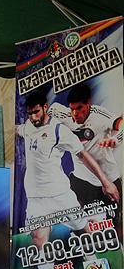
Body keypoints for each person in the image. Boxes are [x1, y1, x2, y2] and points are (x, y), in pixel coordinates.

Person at [17, 90, 119, 269]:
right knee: (39, 240)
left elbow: (83, 155)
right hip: (36, 199)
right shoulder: (27, 125)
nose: (33, 117)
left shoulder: (59, 130)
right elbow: (19, 130)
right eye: (30, 113)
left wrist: (106, 182)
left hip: (61, 195)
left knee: (84, 234)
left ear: (45, 107)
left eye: (36, 112)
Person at [48, 83, 122, 237]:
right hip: (81, 178)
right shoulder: (61, 113)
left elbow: (121, 124)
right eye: (72, 109)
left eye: (79, 108)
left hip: (108, 179)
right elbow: (45, 115)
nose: (75, 113)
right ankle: (82, 246)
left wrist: (116, 139)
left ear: (88, 103)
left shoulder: (100, 115)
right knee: (75, 221)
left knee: (116, 226)